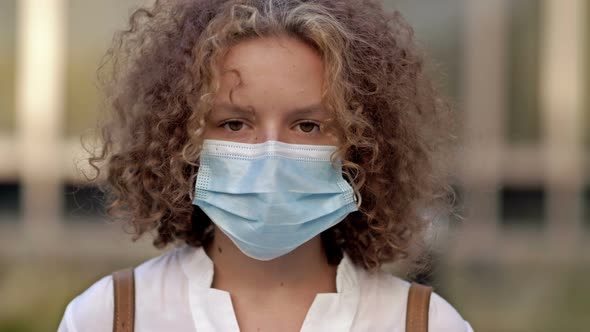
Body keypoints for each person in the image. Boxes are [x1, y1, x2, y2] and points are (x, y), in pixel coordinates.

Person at [58, 0, 473, 331]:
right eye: (234, 123)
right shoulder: (109, 317)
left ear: (361, 146)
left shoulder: (424, 323)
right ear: (182, 140)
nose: (270, 153)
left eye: (307, 125)